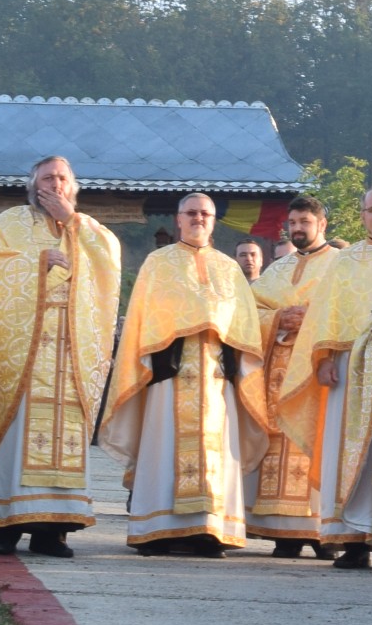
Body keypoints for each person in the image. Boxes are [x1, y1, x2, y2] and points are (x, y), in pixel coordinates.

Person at [0, 156, 122, 557]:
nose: (55, 185)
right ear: (33, 185)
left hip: (72, 351)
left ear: (73, 187)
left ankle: (52, 531)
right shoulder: (11, 222)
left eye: (62, 179)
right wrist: (35, 265)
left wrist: (71, 219)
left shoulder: (90, 230)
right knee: (17, 432)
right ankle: (3, 527)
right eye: (47, 179)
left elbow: (109, 268)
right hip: (25, 349)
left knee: (65, 438)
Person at [103, 190, 263, 554]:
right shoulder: (158, 262)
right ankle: (158, 529)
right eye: (191, 213)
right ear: (178, 220)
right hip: (170, 373)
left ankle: (210, 530)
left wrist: (219, 326)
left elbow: (245, 322)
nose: (198, 219)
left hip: (215, 373)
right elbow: (146, 318)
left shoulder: (227, 268)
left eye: (205, 214)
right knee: (163, 446)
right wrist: (192, 318)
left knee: (215, 450)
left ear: (213, 220)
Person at [300, 184, 372, 568]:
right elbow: (326, 314)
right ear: (362, 216)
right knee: (350, 448)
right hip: (352, 367)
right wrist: (323, 358)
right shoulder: (345, 261)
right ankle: (351, 538)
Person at [248, 197, 346, 555]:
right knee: (280, 444)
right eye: (292, 222)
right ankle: (282, 533)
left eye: (304, 221)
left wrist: (313, 323)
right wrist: (276, 320)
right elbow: (249, 312)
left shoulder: (340, 265)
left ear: (322, 224)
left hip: (319, 371)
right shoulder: (276, 270)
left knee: (319, 443)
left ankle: (322, 532)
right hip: (277, 371)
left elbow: (347, 310)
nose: (297, 228)